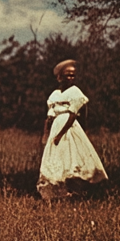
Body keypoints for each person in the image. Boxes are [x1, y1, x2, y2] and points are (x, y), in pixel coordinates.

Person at [38, 59, 108, 200]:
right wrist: (46, 134)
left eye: (73, 75)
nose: (71, 78)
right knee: (56, 160)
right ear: (60, 77)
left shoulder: (75, 92)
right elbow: (50, 117)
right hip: (56, 128)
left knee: (72, 159)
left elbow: (72, 115)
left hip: (68, 129)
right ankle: (60, 193)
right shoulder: (55, 95)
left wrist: (60, 134)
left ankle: (79, 191)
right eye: (67, 75)